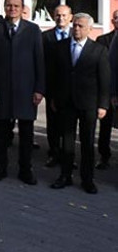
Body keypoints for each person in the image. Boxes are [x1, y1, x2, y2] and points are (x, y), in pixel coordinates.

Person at [0, 0, 45, 184]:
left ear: (22, 8)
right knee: (1, 133)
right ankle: (0, 168)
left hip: (26, 90)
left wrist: (39, 89)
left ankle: (25, 170)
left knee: (26, 134)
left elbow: (40, 61)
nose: (12, 9)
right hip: (1, 90)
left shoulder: (33, 30)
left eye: (16, 6)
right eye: (9, 6)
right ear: (4, 8)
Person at [50, 13, 109, 194]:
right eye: (75, 25)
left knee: (87, 142)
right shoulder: (59, 47)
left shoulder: (98, 50)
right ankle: (65, 175)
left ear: (89, 29)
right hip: (66, 102)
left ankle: (87, 179)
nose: (76, 29)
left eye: (81, 26)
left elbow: (104, 79)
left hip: (88, 103)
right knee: (67, 142)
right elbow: (54, 75)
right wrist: (53, 98)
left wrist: (103, 105)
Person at [41, 4, 72, 168]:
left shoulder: (77, 34)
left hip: (71, 89)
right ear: (54, 17)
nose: (61, 18)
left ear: (70, 17)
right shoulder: (45, 37)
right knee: (52, 123)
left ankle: (68, 155)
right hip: (52, 87)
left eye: (64, 15)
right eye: (58, 15)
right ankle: (53, 153)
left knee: (68, 124)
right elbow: (42, 63)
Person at [95, 9, 118, 169]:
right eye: (116, 18)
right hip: (109, 89)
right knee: (105, 125)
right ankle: (104, 156)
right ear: (112, 20)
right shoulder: (104, 40)